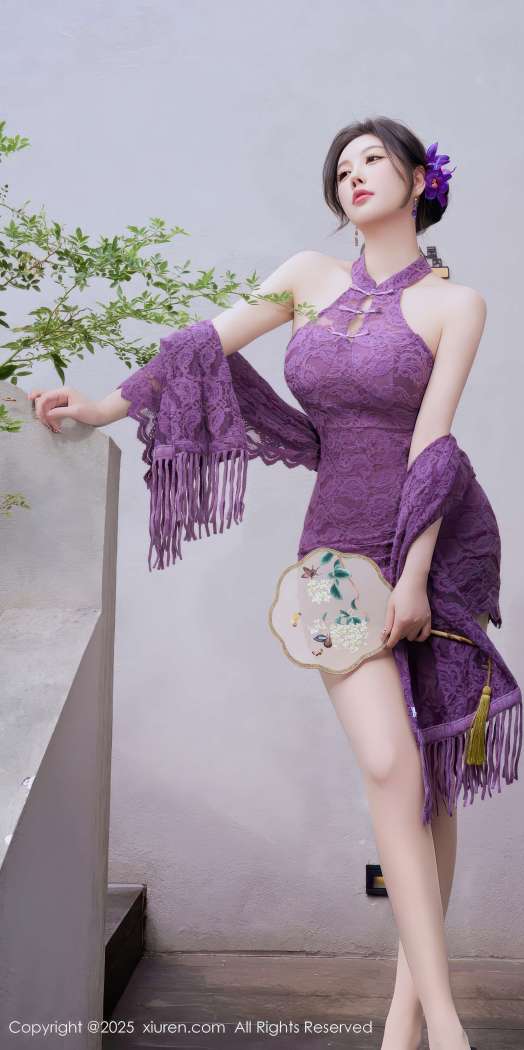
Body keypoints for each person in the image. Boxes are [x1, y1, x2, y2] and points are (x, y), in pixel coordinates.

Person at [29, 116, 497, 1050]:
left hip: (433, 554)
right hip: (332, 556)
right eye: (341, 166)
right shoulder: (306, 277)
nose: (352, 174)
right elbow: (201, 347)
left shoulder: (457, 304)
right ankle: (445, 1022)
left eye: (373, 159)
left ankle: (408, 1020)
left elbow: (433, 446)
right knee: (389, 764)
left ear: (419, 180)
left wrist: (413, 574)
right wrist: (106, 406)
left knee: (432, 780)